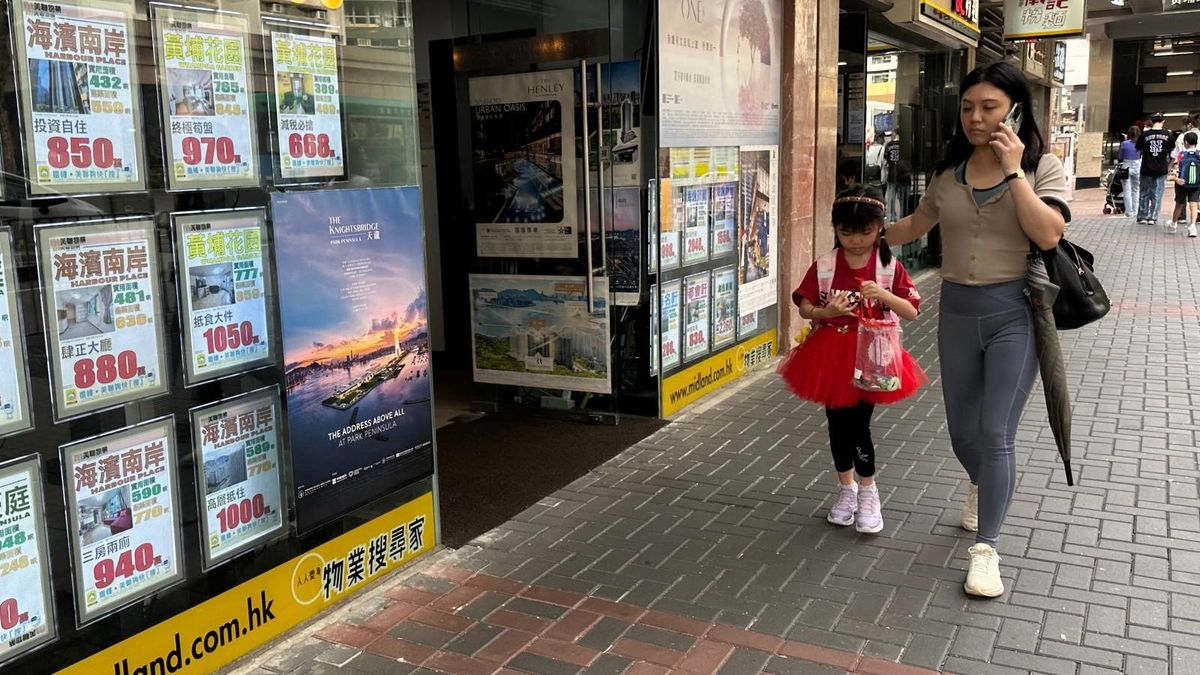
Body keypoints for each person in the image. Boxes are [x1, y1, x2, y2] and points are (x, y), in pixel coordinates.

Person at [884, 62, 1068, 598]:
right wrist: (864, 235)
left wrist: (1014, 172)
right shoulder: (949, 173)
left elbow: (1049, 233)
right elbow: (915, 225)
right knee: (963, 434)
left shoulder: (1042, 167)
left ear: (1014, 109)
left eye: (988, 107)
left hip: (1016, 311)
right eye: (967, 107)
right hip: (957, 312)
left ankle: (987, 549)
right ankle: (983, 483)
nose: (975, 117)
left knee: (995, 434)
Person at [778, 185, 927, 535]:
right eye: (846, 232)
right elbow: (804, 305)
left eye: (865, 232)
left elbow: (912, 311)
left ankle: (868, 491)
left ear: (880, 227)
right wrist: (825, 310)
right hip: (830, 356)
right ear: (835, 229)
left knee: (858, 425)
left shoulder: (889, 265)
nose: (855, 240)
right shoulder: (827, 264)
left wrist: (884, 293)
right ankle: (846, 490)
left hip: (873, 356)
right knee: (836, 425)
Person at [1136, 113, 1174, 226]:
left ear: (1151, 122)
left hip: (1146, 168)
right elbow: (1172, 152)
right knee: (1157, 194)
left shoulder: (1144, 135)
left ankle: (1142, 216)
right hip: (1161, 168)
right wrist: (1170, 166)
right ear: (1163, 121)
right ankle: (1152, 217)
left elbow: (1138, 148)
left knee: (1144, 193)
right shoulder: (1168, 134)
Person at [1170, 116, 1198, 229]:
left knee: (1179, 204)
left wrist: (1176, 178)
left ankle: (1175, 222)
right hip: (1196, 181)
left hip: (1182, 182)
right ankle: (1192, 226)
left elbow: (1175, 164)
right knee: (1194, 204)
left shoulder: (1181, 154)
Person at [883, 131, 912, 223]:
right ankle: (903, 217)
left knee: (891, 198)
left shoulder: (889, 145)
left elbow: (885, 158)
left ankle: (891, 217)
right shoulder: (907, 145)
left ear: (895, 133)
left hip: (892, 174)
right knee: (904, 199)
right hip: (904, 176)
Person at [1119, 126, 1141, 217]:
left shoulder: (1124, 144)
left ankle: (1129, 212)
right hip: (1137, 166)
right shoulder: (1140, 144)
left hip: (1126, 166)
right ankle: (1136, 210)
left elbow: (1120, 156)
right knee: (1135, 189)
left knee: (1127, 190)